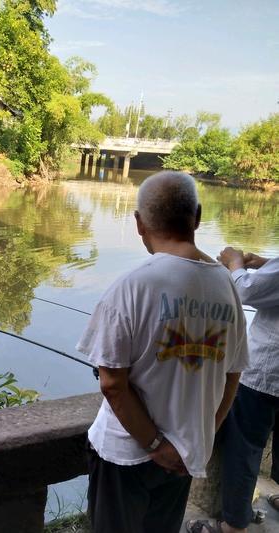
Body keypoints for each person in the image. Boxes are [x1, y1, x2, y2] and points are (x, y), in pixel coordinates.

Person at [77, 171, 249, 533]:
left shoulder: (131, 287)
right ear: (197, 216)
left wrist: (156, 445)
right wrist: (202, 434)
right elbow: (233, 375)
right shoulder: (228, 287)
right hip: (185, 456)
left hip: (125, 454)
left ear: (140, 224)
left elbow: (112, 384)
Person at [188, 249, 279, 533]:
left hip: (267, 374)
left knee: (243, 447)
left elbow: (245, 291)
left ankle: (233, 525)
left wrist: (235, 263)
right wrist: (265, 264)